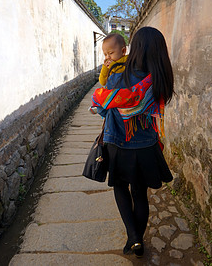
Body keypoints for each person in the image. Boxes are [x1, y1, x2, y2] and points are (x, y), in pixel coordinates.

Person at [91, 26, 174, 258]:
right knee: (140, 193)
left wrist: (98, 101)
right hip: (146, 145)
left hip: (119, 143)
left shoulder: (120, 75)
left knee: (120, 188)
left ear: (134, 48)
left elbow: (104, 107)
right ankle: (138, 239)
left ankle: (133, 237)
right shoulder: (158, 77)